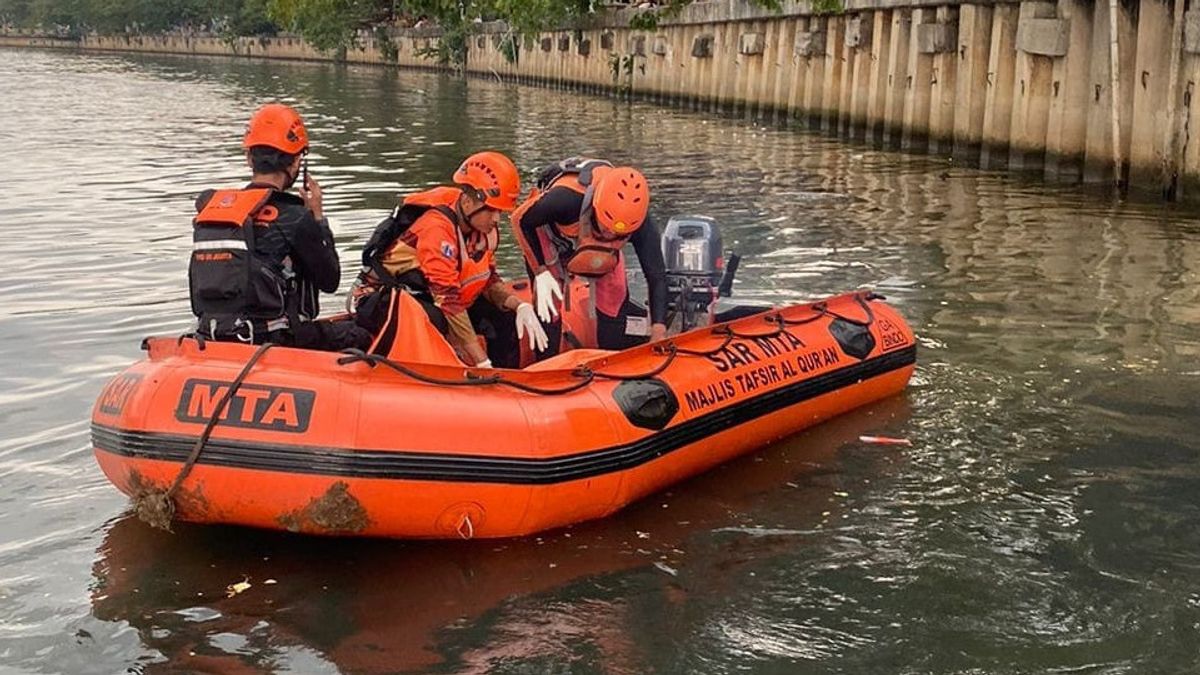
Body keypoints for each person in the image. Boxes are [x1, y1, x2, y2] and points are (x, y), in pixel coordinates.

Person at [188, 103, 370, 351]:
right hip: (276, 340)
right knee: (362, 334)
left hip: (213, 335)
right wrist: (318, 218)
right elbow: (330, 280)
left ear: (249, 157)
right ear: (296, 162)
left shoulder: (215, 210)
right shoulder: (295, 217)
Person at [348, 151, 547, 368]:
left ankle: (507, 376)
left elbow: (488, 280)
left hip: (429, 294)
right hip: (382, 298)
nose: (497, 219)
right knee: (437, 320)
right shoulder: (437, 228)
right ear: (469, 202)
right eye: (492, 211)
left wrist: (518, 305)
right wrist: (481, 362)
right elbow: (448, 300)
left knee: (502, 315)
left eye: (500, 212)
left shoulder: (480, 227)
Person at [511, 157, 667, 358]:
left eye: (618, 235)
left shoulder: (640, 220)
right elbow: (520, 219)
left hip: (599, 253)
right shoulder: (565, 200)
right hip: (551, 236)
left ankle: (609, 360)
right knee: (548, 304)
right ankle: (545, 364)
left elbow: (656, 274)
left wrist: (659, 328)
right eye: (606, 228)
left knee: (615, 295)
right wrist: (540, 271)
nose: (609, 236)